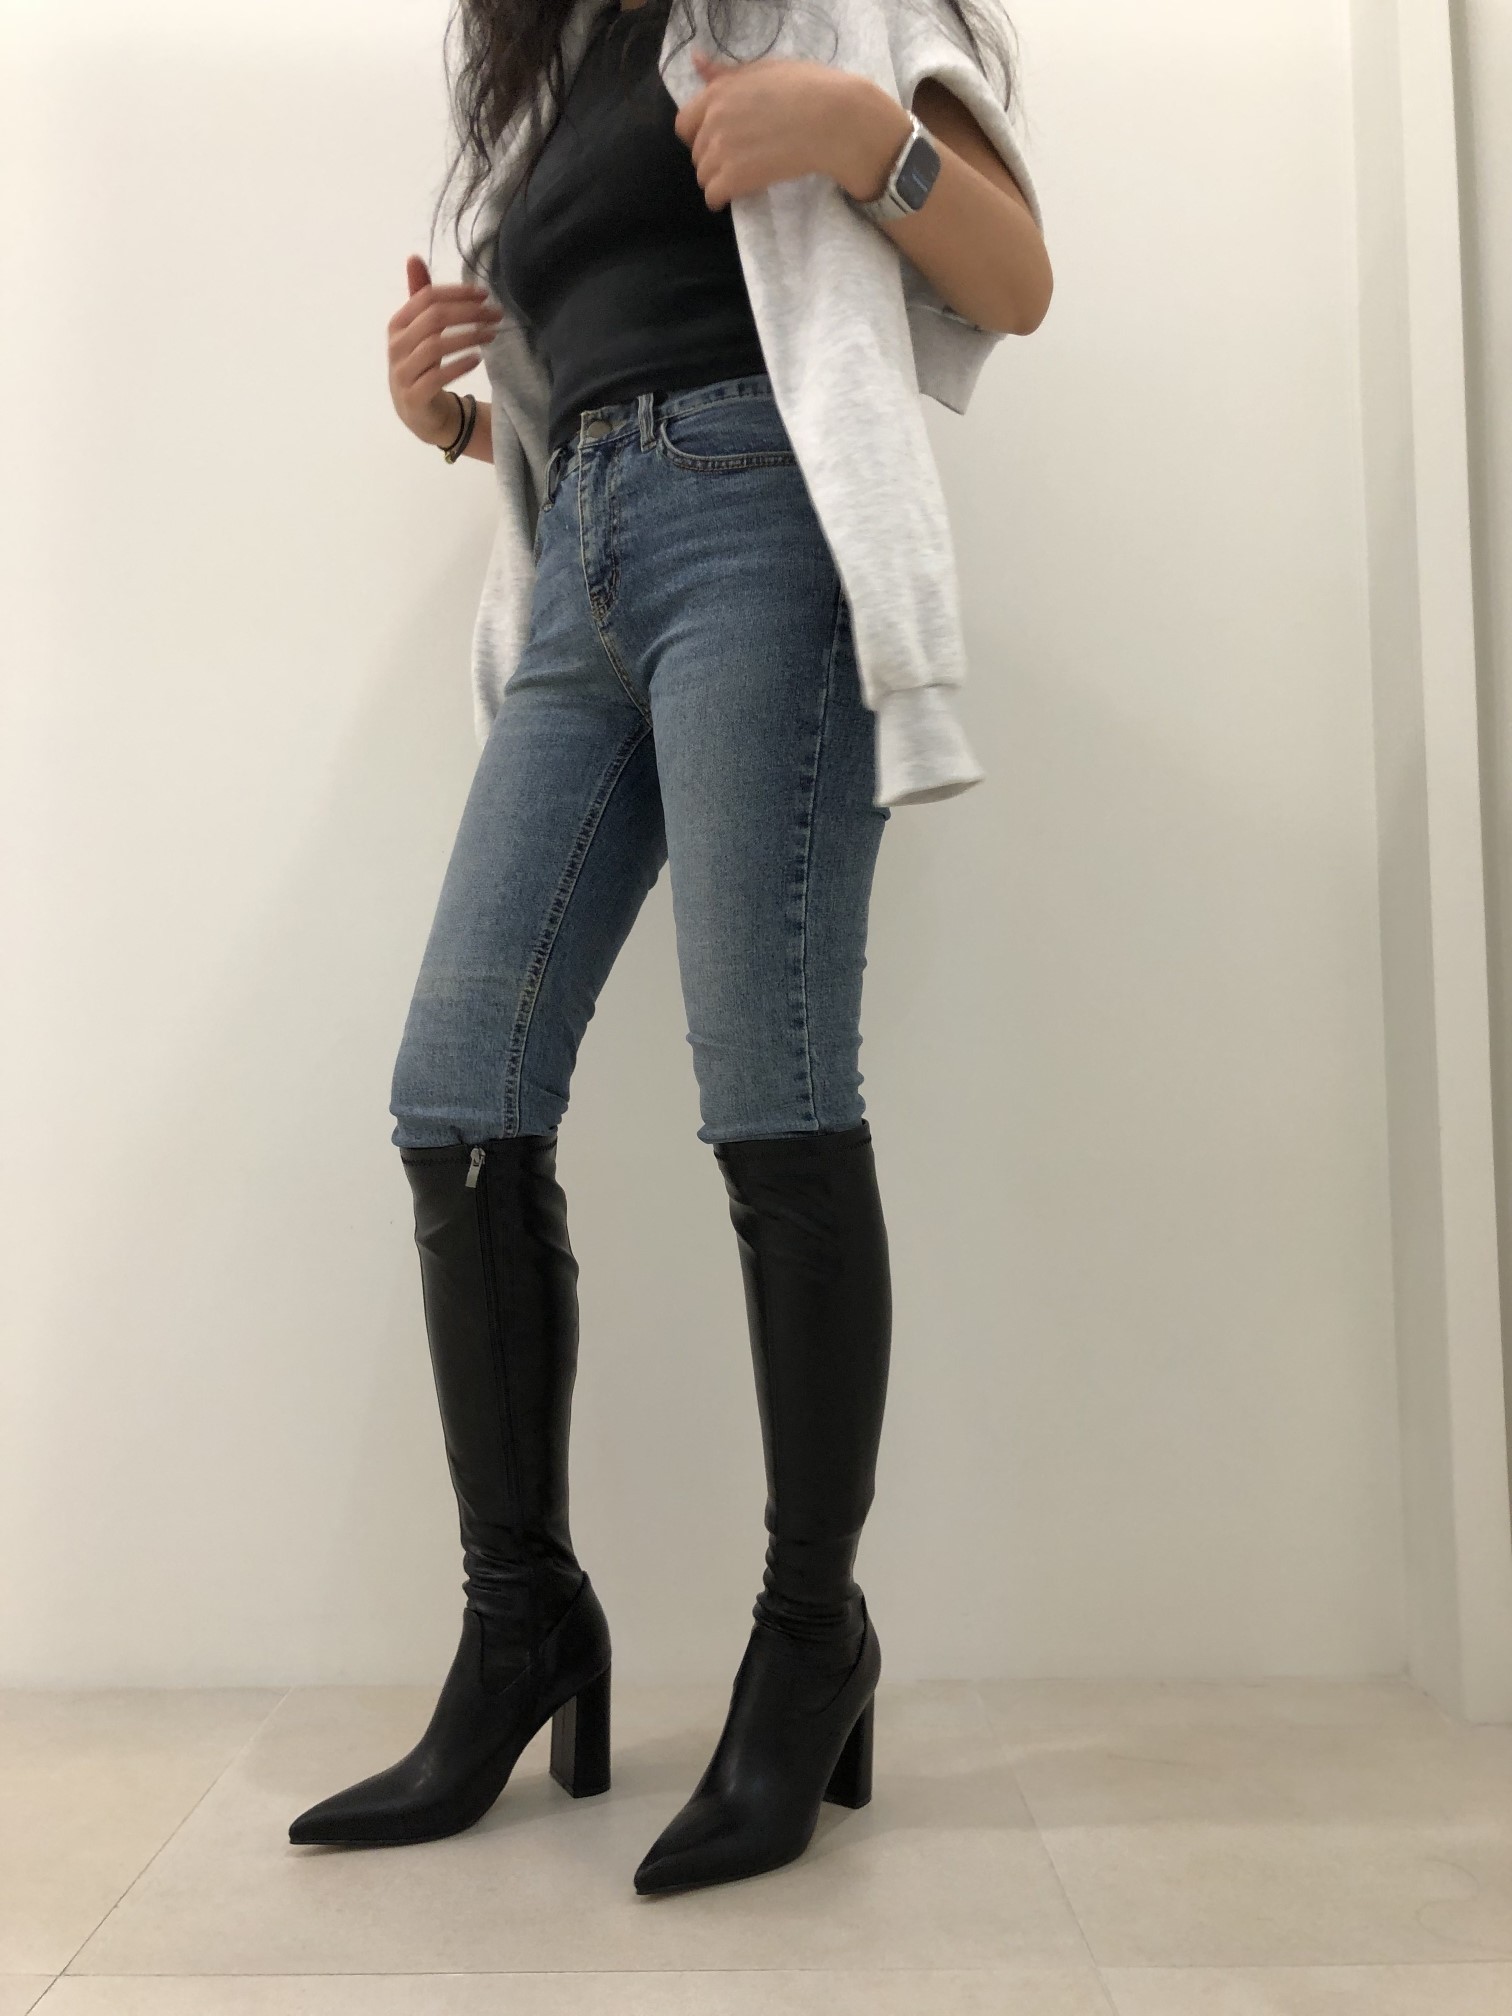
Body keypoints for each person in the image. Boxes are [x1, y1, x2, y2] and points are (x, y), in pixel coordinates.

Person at [288, 0, 1051, 1894]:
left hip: (759, 528)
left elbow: (1016, 283)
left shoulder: (824, 18)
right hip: (583, 565)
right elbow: (588, 371)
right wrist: (452, 417)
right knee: (457, 1096)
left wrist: (855, 134)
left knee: (771, 1087)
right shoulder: (562, 64)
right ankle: (522, 1624)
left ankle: (809, 1642)